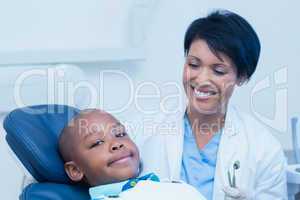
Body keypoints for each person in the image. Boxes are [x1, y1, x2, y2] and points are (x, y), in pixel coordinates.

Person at [140, 10, 287, 200]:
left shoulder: (264, 150)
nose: (202, 79)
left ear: (241, 76)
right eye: (193, 65)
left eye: (218, 71)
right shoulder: (144, 132)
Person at [58, 109, 206, 200]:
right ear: (75, 170)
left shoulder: (171, 186)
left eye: (120, 134)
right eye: (97, 143)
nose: (117, 144)